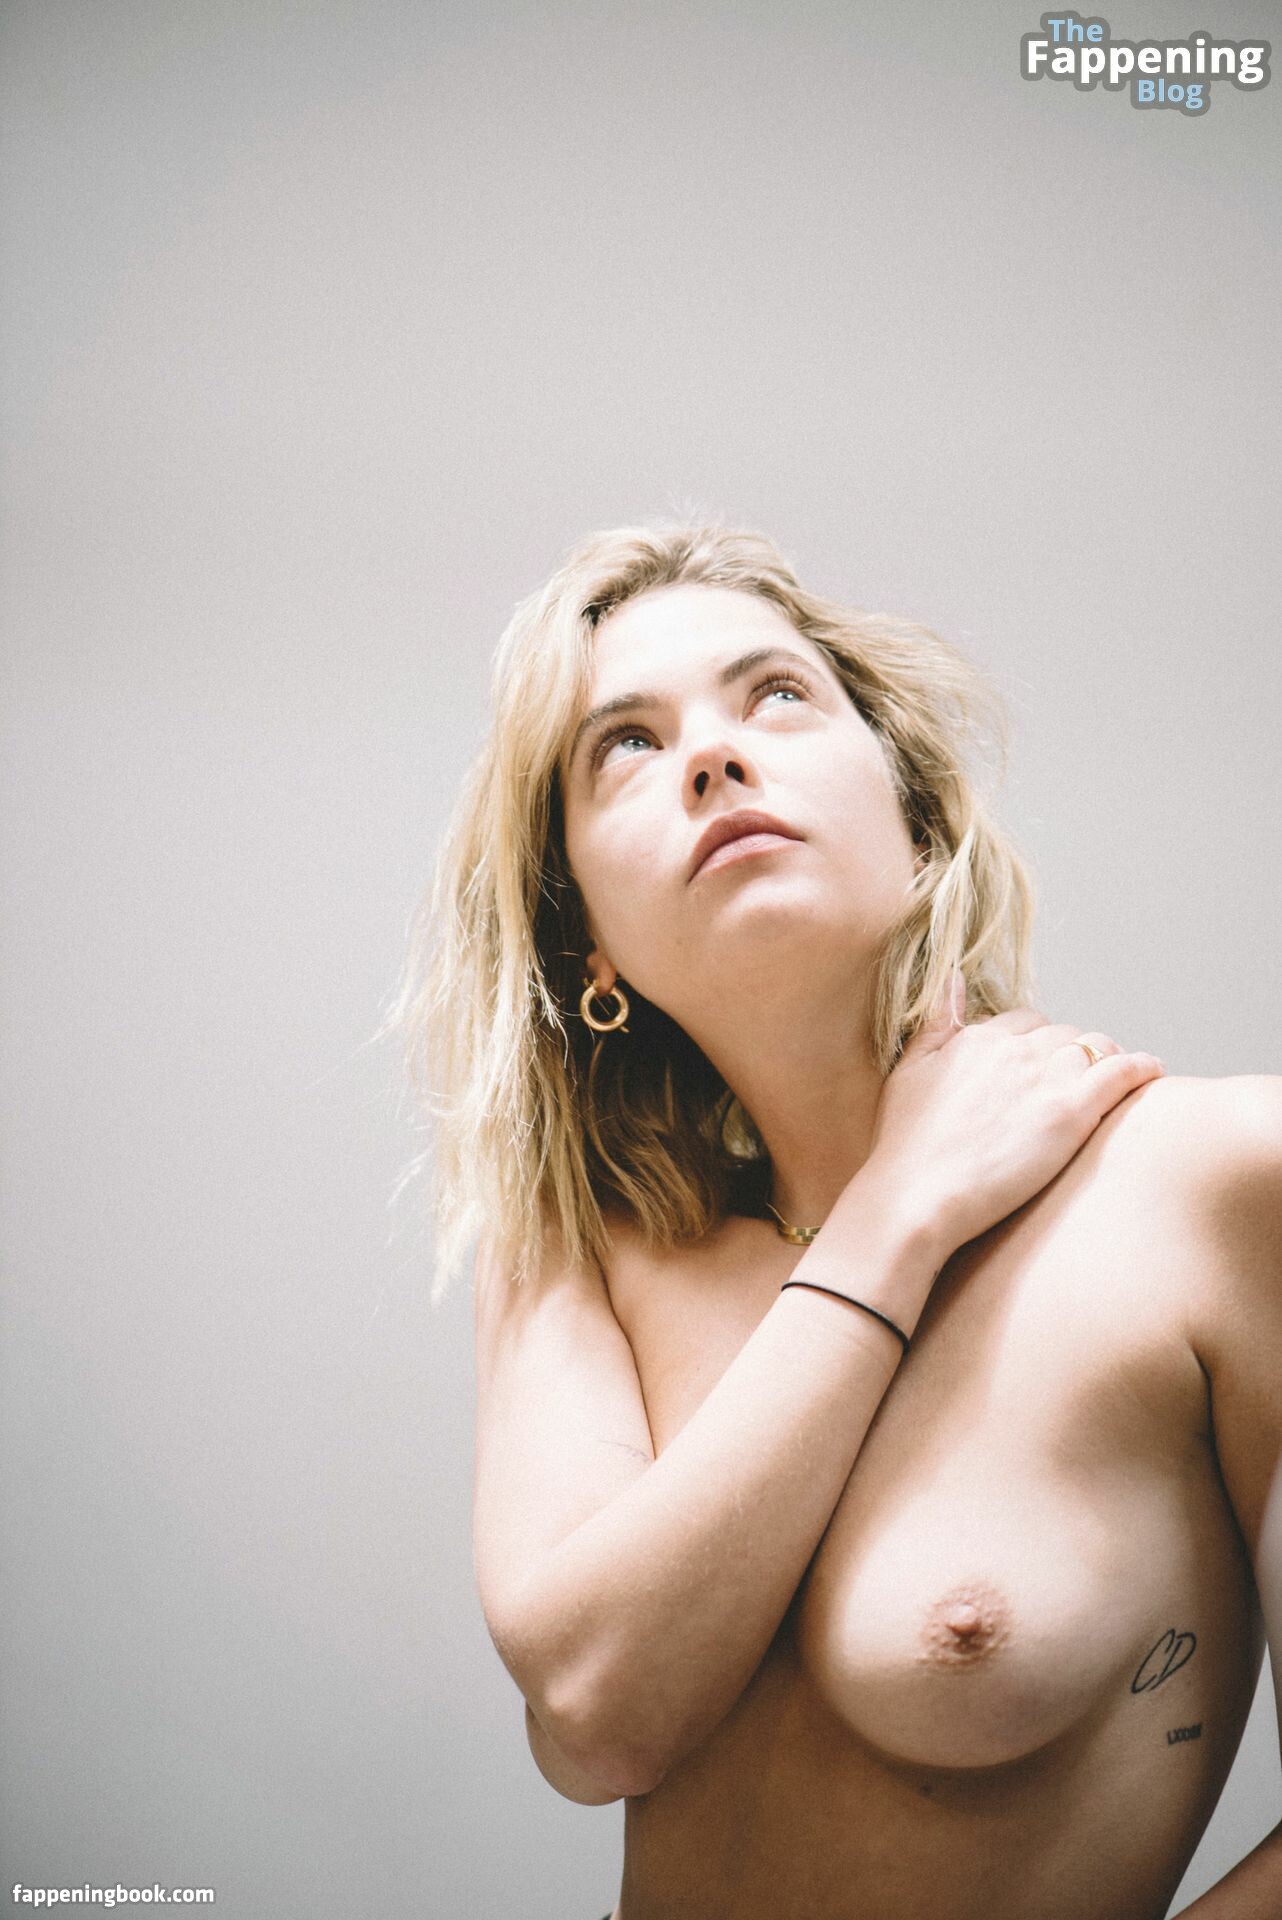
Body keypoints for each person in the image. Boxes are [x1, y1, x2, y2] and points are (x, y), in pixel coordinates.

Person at [390, 522, 1282, 1918]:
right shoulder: (578, 1251)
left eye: (776, 695)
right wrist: (890, 1225)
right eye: (624, 745)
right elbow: (595, 1713)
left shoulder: (1217, 1181)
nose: (710, 755)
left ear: (915, 818)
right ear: (588, 940)